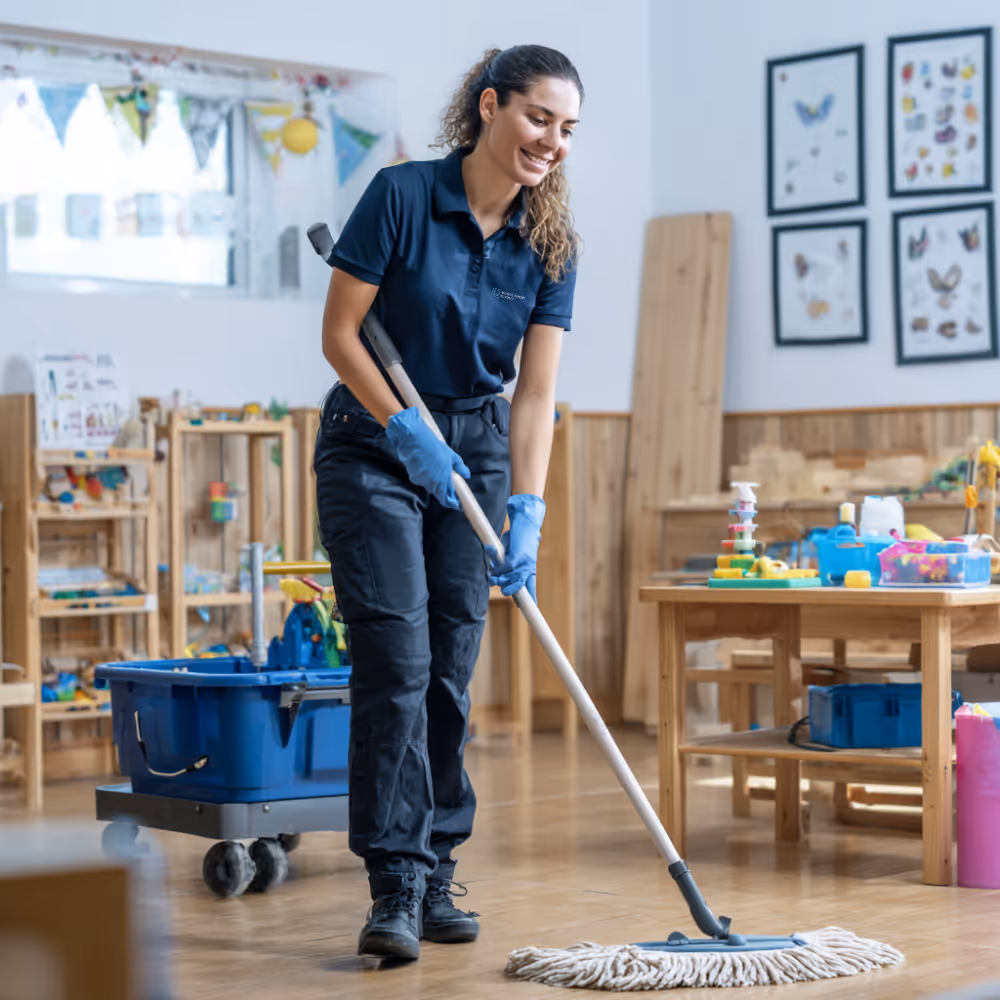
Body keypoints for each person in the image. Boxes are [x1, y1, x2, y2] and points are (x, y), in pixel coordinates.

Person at [314, 44, 583, 961]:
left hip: (477, 445)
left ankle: (434, 871)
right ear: (490, 105)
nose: (552, 140)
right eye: (540, 117)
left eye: (568, 128)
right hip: (372, 445)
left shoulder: (551, 244)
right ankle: (392, 884)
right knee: (396, 655)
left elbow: (536, 394)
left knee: (449, 669)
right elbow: (341, 334)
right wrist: (401, 431)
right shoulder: (400, 195)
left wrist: (529, 508)